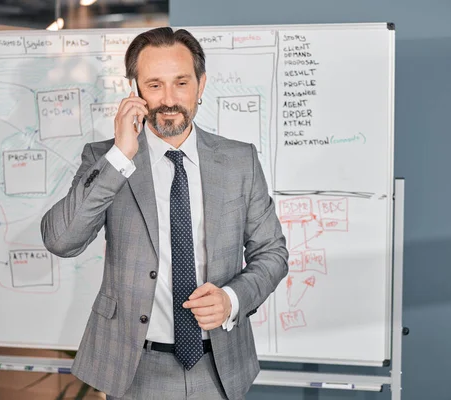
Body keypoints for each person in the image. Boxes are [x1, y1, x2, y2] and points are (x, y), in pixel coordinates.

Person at [41, 27, 288, 400]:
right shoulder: (105, 159)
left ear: (201, 86)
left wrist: (232, 299)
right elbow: (61, 240)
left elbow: (272, 254)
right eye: (154, 85)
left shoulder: (240, 160)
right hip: (134, 369)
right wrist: (121, 156)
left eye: (181, 83)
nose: (169, 99)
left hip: (219, 366)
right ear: (134, 89)